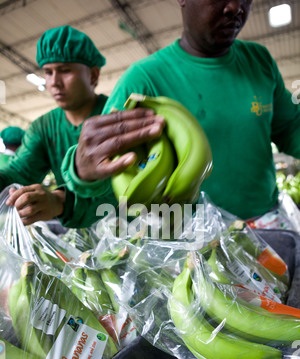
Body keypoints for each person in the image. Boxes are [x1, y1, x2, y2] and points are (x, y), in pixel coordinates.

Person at [61, 0, 300, 227]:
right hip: (191, 241)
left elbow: (289, 128)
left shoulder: (259, 61)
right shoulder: (144, 81)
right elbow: (110, 170)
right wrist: (82, 172)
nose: (236, 7)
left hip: (266, 223)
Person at [1, 25, 109, 227]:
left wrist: (60, 200)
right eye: (48, 72)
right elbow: (19, 173)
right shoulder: (44, 127)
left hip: (129, 228)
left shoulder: (115, 115)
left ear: (93, 75)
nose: (54, 82)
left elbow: (119, 188)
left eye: (65, 70)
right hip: (83, 234)